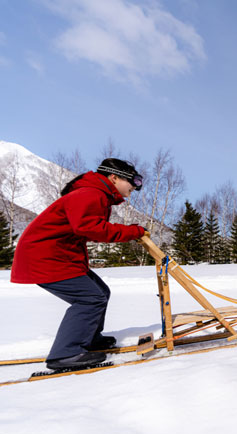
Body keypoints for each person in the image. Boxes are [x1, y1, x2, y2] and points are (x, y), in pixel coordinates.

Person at [10, 158, 147, 370]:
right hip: (45, 257)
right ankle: (66, 353)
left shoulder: (96, 194)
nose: (135, 187)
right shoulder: (91, 194)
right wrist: (132, 231)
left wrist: (129, 232)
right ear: (114, 177)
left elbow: (86, 229)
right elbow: (90, 227)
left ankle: (88, 339)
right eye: (133, 181)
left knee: (100, 291)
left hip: (58, 256)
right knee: (90, 298)